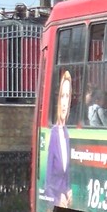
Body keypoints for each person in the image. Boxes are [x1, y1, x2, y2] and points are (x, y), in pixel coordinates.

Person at [41, 69, 73, 205]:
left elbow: (65, 173)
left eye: (68, 96)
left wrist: (68, 190)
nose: (64, 102)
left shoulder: (67, 133)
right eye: (62, 96)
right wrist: (57, 199)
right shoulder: (54, 134)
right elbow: (48, 181)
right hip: (56, 199)